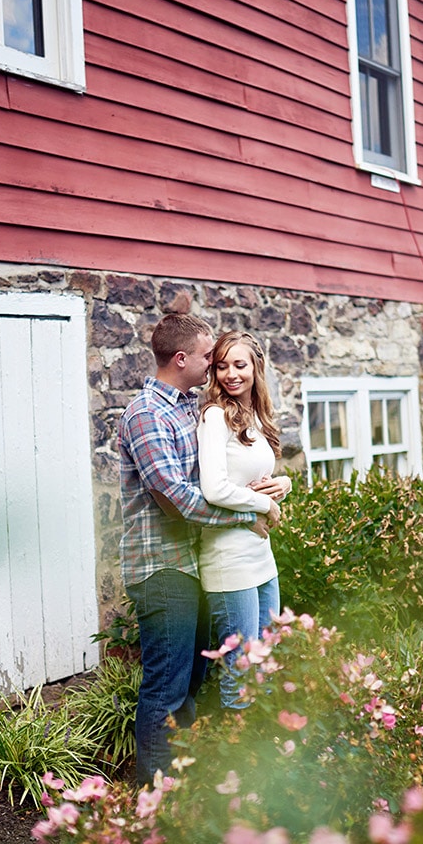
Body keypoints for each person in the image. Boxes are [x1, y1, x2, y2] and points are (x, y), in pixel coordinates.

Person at [115, 312, 277, 783]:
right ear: (182, 358)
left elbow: (221, 469)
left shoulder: (188, 406)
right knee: (166, 688)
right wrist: (249, 515)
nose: (214, 366)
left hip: (196, 563)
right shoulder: (145, 414)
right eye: (209, 357)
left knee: (192, 682)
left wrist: (264, 489)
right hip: (162, 569)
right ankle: (154, 798)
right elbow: (176, 499)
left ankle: (181, 788)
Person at [197, 330, 292, 708]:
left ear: (256, 367)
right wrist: (263, 505)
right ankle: (237, 759)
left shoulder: (252, 415)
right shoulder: (216, 416)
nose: (231, 374)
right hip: (228, 556)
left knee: (264, 658)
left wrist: (282, 484)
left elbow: (257, 476)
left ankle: (262, 750)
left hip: (260, 553)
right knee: (240, 667)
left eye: (240, 365)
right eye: (221, 367)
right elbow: (215, 489)